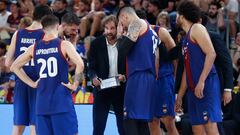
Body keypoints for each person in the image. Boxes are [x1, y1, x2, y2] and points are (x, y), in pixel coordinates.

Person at [10, 14, 84, 135]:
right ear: (58, 26)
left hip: (41, 105)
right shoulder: (63, 44)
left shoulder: (34, 47)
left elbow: (14, 67)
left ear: (43, 29)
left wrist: (32, 84)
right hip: (61, 103)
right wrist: (75, 84)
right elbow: (80, 64)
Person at [174, 1, 222, 135]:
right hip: (193, 88)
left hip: (206, 83)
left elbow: (211, 53)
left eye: (177, 15)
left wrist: (201, 81)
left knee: (210, 127)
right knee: (197, 127)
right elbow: (186, 71)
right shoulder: (185, 38)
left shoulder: (197, 28)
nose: (176, 18)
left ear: (182, 16)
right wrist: (180, 96)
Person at [5, 5, 52, 135]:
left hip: (21, 84)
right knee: (35, 125)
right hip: (39, 84)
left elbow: (8, 63)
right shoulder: (46, 34)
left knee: (18, 126)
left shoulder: (18, 33)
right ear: (46, 18)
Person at [117, 6, 160, 135]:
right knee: (141, 122)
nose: (122, 25)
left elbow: (122, 51)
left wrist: (120, 35)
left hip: (139, 76)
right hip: (149, 77)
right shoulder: (150, 29)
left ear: (125, 16)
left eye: (121, 22)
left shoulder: (136, 24)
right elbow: (157, 57)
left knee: (129, 119)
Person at [88, 15, 126, 135]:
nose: (108, 31)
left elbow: (131, 66)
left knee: (123, 128)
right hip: (102, 90)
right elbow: (91, 68)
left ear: (118, 28)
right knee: (98, 128)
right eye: (106, 28)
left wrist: (125, 76)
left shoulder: (125, 43)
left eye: (112, 28)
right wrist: (94, 77)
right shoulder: (96, 44)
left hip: (121, 90)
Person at [148, 25, 179, 135]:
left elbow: (175, 56)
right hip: (149, 82)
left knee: (168, 122)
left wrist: (176, 80)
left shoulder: (161, 32)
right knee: (152, 121)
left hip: (165, 79)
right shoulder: (132, 35)